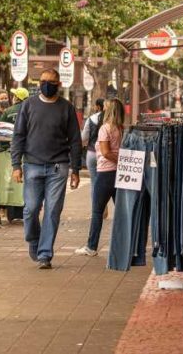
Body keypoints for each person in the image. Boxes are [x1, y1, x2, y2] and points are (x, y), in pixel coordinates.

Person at [11, 68, 82, 269]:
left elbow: (75, 140)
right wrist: (16, 165)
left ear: (59, 84)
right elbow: (18, 136)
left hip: (58, 167)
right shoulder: (28, 105)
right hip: (32, 164)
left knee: (52, 212)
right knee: (30, 209)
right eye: (43, 81)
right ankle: (34, 241)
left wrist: (76, 169)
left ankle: (44, 254)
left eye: (51, 82)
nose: (46, 85)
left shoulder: (66, 108)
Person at [76, 98, 124, 256]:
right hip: (119, 174)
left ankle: (91, 246)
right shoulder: (121, 128)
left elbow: (105, 152)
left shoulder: (105, 128)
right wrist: (123, 162)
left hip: (105, 173)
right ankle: (124, 246)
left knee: (97, 211)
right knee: (121, 212)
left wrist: (120, 160)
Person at [81, 98, 105, 201]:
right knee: (105, 182)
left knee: (94, 182)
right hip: (105, 154)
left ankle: (96, 207)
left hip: (91, 153)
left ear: (98, 107)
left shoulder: (90, 119)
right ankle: (103, 206)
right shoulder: (109, 119)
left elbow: (83, 138)